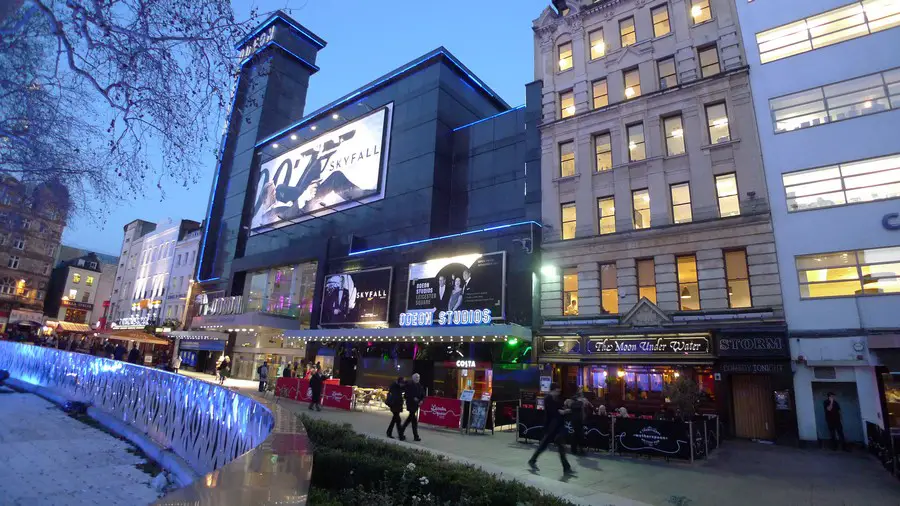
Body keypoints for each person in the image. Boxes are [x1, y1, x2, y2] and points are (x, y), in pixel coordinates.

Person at [528, 383, 575, 476]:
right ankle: (532, 460)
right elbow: (553, 412)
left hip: (557, 426)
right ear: (553, 390)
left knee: (560, 446)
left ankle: (566, 467)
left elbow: (560, 408)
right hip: (551, 426)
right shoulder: (548, 399)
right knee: (544, 445)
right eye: (557, 391)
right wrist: (563, 411)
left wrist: (564, 410)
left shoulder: (556, 398)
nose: (558, 392)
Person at [402, 373, 425, 441]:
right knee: (414, 421)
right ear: (413, 378)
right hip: (411, 404)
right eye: (416, 377)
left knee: (409, 420)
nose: (418, 379)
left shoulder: (420, 386)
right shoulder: (409, 385)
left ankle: (401, 431)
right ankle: (416, 436)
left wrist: (422, 400)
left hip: (416, 405)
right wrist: (413, 398)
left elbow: (423, 395)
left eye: (418, 377)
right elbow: (406, 395)